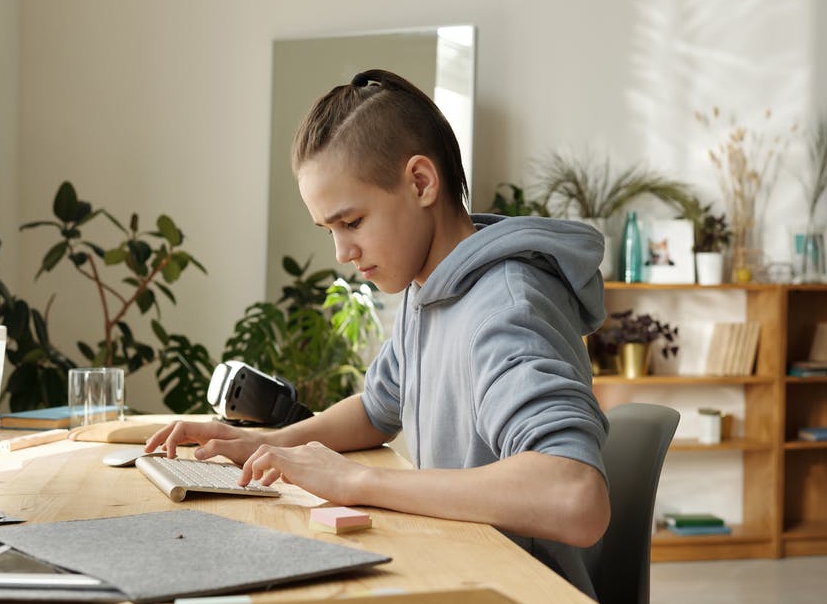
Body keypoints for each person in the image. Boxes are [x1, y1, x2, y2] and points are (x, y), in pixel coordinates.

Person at [146, 69, 610, 596]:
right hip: (455, 570)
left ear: (420, 182)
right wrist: (267, 442)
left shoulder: (504, 308)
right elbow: (376, 408)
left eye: (353, 222)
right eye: (330, 231)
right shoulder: (429, 288)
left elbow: (575, 497)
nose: (342, 254)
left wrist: (359, 481)